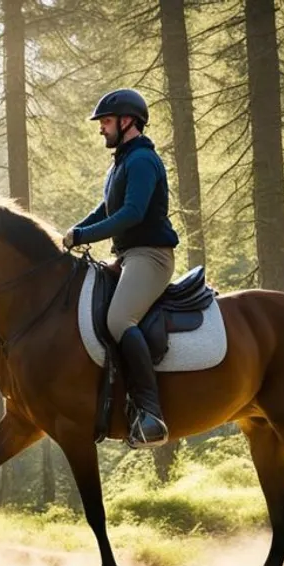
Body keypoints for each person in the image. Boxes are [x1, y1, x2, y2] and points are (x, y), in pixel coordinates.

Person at [61, 88, 179, 449]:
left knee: (118, 320)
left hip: (151, 256)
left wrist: (83, 234)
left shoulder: (142, 160)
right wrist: (71, 233)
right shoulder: (122, 162)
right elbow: (106, 209)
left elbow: (131, 213)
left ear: (128, 122)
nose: (102, 129)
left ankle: (150, 412)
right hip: (128, 256)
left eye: (106, 122)